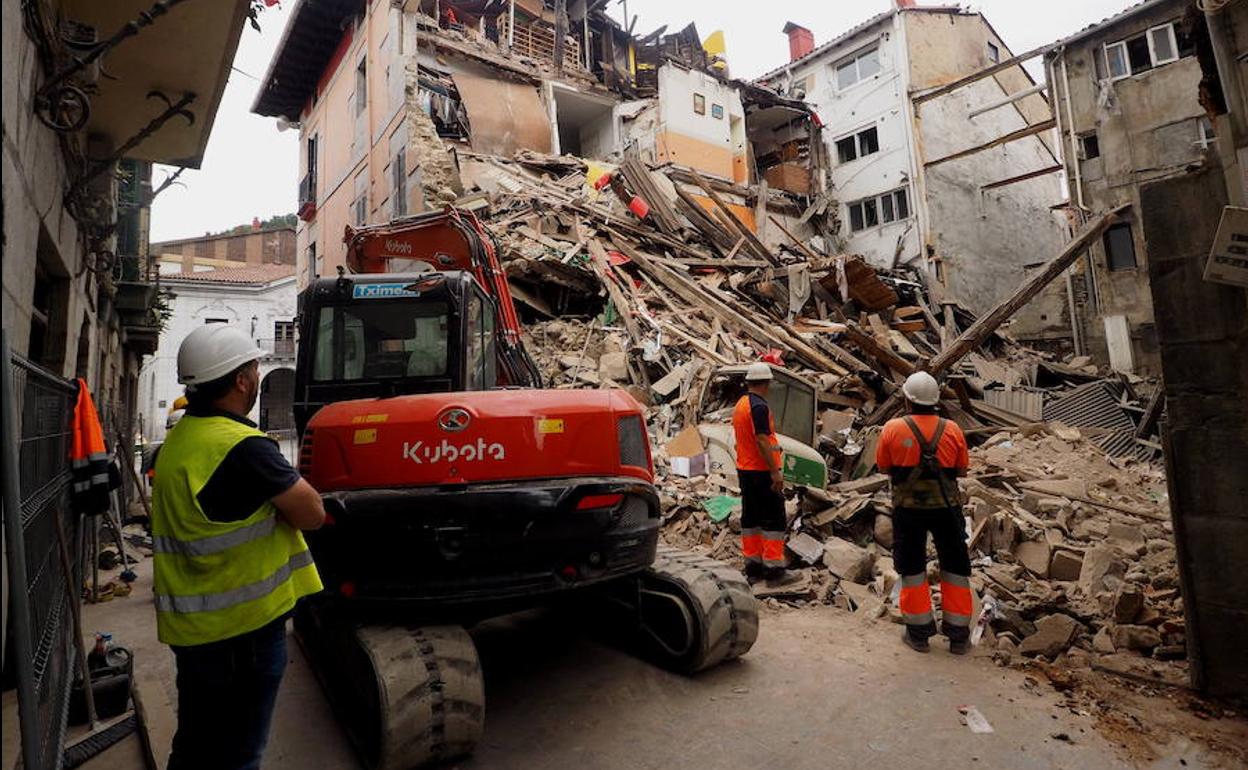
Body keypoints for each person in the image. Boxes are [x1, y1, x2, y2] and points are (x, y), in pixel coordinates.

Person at [151, 324, 326, 770]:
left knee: (195, 745)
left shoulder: (181, 439)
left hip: (196, 631)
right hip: (241, 634)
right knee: (239, 754)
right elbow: (312, 514)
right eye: (252, 370)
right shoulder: (243, 447)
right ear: (244, 380)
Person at [876, 371, 974, 655]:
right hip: (947, 508)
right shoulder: (953, 429)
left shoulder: (892, 429)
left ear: (907, 400)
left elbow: (883, 467)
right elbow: (962, 470)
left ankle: (918, 634)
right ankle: (958, 636)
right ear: (936, 401)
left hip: (909, 510)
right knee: (955, 567)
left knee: (912, 568)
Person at [732, 362, 798, 586]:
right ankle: (774, 572)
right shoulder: (759, 407)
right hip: (761, 471)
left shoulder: (741, 404)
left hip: (745, 469)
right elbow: (762, 439)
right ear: (767, 383)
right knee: (774, 519)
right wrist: (775, 472)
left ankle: (753, 568)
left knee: (751, 518)